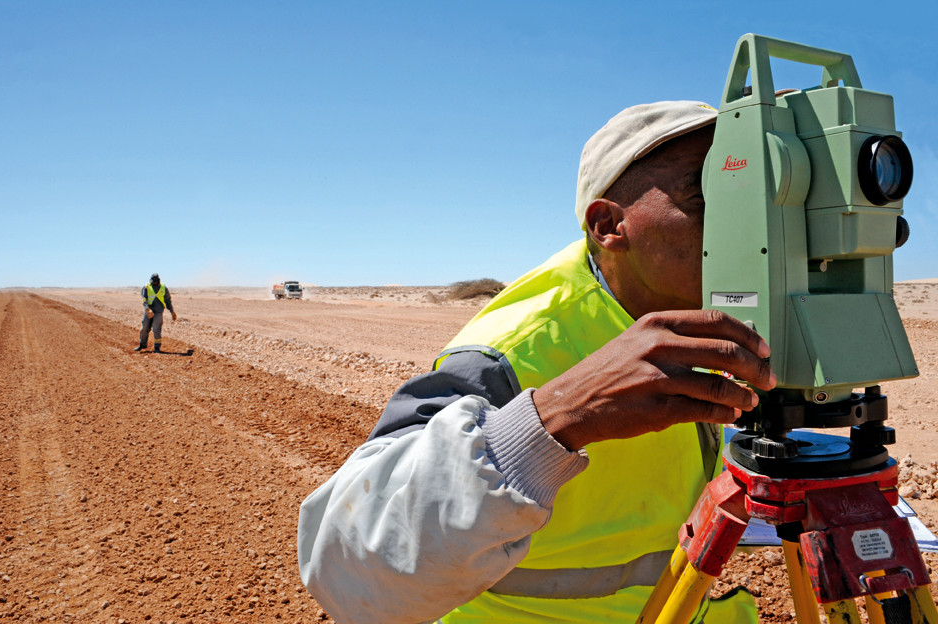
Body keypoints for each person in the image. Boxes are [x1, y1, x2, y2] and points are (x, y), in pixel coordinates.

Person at [297, 101, 777, 623]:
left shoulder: (706, 323)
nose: (745, 223)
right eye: (707, 196)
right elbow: (343, 567)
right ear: (608, 224)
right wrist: (549, 421)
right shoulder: (511, 350)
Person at [134, 273, 177, 353]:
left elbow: (168, 301)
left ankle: (157, 348)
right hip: (149, 311)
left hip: (158, 312)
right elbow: (144, 300)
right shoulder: (146, 287)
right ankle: (142, 344)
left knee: (156, 330)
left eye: (155, 282)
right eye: (152, 281)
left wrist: (172, 311)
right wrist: (147, 309)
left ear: (158, 281)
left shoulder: (163, 288)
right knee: (144, 328)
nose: (153, 283)